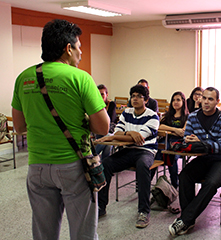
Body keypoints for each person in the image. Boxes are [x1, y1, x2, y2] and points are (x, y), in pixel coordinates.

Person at [11, 19, 110, 240]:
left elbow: (18, 127)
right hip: (73, 167)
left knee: (44, 233)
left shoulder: (23, 78)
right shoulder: (80, 78)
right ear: (68, 48)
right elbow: (103, 127)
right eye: (79, 47)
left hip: (36, 167)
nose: (81, 53)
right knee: (82, 232)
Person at [168, 87, 221, 236]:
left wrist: (202, 142)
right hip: (203, 158)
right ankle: (188, 220)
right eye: (204, 98)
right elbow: (187, 139)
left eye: (210, 99)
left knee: (210, 183)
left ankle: (184, 220)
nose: (206, 102)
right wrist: (192, 141)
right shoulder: (193, 117)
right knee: (184, 176)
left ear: (217, 101)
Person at [96, 84, 159, 228]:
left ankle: (144, 211)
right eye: (133, 96)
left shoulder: (153, 116)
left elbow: (139, 139)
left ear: (146, 100)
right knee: (105, 164)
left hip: (146, 151)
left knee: (143, 166)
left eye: (139, 96)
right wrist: (130, 133)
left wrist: (125, 136)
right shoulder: (126, 113)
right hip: (128, 151)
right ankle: (101, 207)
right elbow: (118, 134)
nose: (135, 99)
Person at [155, 91, 189, 188]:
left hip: (179, 143)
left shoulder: (187, 116)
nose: (175, 102)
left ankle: (174, 184)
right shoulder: (168, 115)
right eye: (173, 100)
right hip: (165, 140)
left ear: (183, 102)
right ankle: (147, 181)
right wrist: (175, 130)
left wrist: (171, 129)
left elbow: (183, 132)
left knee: (171, 156)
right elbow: (160, 126)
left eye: (178, 100)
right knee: (157, 153)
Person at [95, 84, 117, 160]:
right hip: (98, 130)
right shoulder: (94, 104)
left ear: (107, 94)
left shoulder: (111, 104)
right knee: (108, 143)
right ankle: (103, 164)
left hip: (109, 129)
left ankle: (93, 156)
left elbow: (112, 119)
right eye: (98, 94)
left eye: (102, 94)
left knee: (108, 139)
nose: (100, 96)